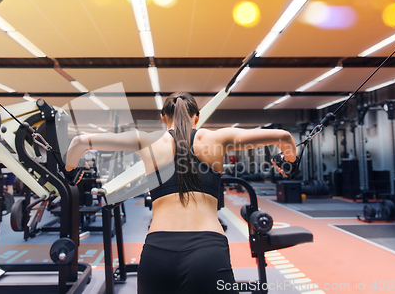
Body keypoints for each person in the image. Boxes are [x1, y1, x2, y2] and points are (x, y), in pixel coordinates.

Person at [65, 92, 297, 294]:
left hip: (157, 254)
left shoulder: (146, 141)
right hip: (208, 252)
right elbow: (283, 137)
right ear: (197, 116)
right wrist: (288, 162)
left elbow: (80, 141)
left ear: (163, 117)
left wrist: (71, 171)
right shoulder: (218, 138)